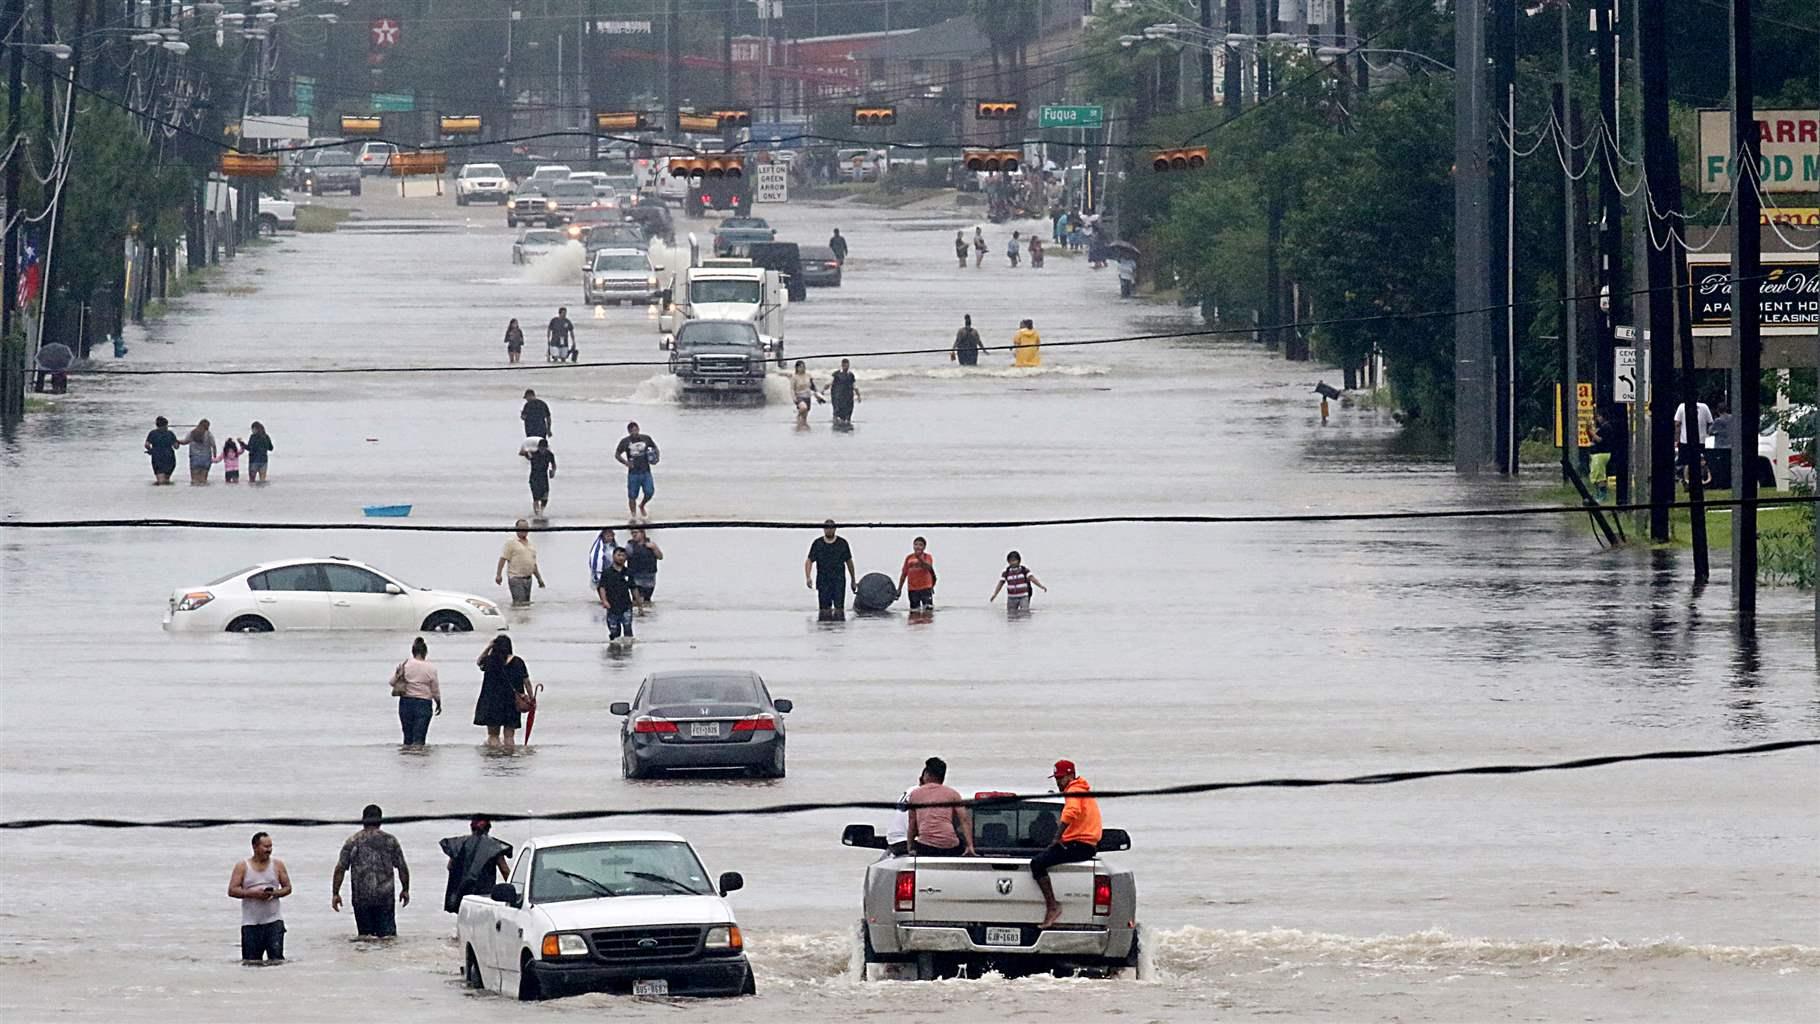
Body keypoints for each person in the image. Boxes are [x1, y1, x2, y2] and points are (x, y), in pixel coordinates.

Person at [1031, 760, 1102, 928]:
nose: (1058, 782)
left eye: (1061, 777)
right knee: (1043, 856)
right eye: (1056, 778)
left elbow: (1072, 812)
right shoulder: (1082, 790)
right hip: (1082, 844)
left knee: (1037, 863)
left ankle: (1053, 906)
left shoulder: (1074, 790)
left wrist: (1056, 837)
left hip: (1081, 845)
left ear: (1071, 775)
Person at [332, 804, 410, 939]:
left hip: (361, 898)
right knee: (388, 938)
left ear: (363, 820)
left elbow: (340, 868)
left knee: (365, 937)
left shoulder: (353, 841)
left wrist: (335, 893)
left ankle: (368, 958)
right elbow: (402, 867)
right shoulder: (390, 841)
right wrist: (405, 890)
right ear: (380, 820)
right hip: (385, 897)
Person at [229, 831, 292, 964]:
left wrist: (274, 893)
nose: (269, 850)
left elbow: (288, 888)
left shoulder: (278, 865)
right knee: (251, 963)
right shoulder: (242, 866)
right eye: (265, 847)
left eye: (270, 846)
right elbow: (232, 890)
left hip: (274, 922)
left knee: (276, 962)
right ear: (255, 847)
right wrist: (253, 894)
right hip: (251, 924)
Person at [904, 756, 976, 858]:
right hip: (950, 846)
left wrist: (910, 847)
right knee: (958, 844)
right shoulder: (953, 794)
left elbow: (912, 824)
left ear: (927, 775)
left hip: (925, 846)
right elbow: (964, 820)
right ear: (943, 777)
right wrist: (970, 846)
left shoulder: (915, 794)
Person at [441, 819, 513, 914]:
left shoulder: (459, 844)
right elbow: (505, 871)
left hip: (463, 896)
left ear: (471, 828)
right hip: (484, 896)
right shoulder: (494, 846)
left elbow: (450, 867)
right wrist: (513, 891)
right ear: (488, 829)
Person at [473, 635, 531, 748]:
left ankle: (496, 758)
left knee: (493, 735)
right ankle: (508, 759)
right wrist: (531, 697)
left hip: (492, 701)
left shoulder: (490, 661)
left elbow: (479, 662)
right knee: (509, 736)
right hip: (512, 702)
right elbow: (526, 681)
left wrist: (488, 647)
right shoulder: (518, 662)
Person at [804, 519, 857, 620]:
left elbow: (849, 562)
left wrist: (853, 580)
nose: (829, 530)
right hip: (823, 581)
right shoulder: (818, 543)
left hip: (839, 581)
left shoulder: (842, 543)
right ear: (823, 529)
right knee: (824, 610)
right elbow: (809, 561)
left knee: (839, 609)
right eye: (826, 528)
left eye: (831, 528)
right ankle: (825, 628)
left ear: (835, 529)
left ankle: (838, 629)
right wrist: (808, 577)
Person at [396, 636, 441, 748]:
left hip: (406, 702)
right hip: (423, 703)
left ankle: (407, 760)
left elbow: (392, 682)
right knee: (419, 739)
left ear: (413, 651)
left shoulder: (405, 665)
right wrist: (438, 703)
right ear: (425, 652)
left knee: (407, 738)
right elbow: (434, 689)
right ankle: (419, 761)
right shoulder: (431, 668)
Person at [614, 421, 659, 519]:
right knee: (632, 496)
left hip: (646, 471)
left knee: (649, 492)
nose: (635, 432)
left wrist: (656, 458)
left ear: (638, 429)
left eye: (636, 430)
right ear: (629, 432)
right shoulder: (625, 442)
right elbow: (617, 454)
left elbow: (655, 448)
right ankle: (633, 516)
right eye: (632, 431)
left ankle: (642, 505)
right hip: (633, 473)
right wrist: (626, 463)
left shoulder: (646, 438)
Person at [495, 519, 544, 606]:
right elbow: (503, 559)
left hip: (528, 579)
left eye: (526, 528)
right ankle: (516, 618)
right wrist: (499, 575)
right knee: (519, 604)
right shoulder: (511, 542)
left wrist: (539, 579)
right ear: (516, 529)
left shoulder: (530, 544)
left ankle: (524, 619)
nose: (524, 530)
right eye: (521, 528)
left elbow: (533, 563)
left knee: (526, 604)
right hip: (516, 578)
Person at [599, 546, 637, 646]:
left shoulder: (628, 572)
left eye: (623, 555)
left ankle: (628, 652)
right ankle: (614, 652)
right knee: (614, 633)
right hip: (612, 607)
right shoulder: (607, 572)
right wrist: (604, 601)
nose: (621, 557)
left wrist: (638, 604)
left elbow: (633, 588)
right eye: (618, 555)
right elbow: (602, 587)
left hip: (626, 606)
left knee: (628, 630)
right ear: (613, 556)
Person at [625, 528, 663, 605]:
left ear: (642, 533)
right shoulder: (630, 546)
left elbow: (660, 557)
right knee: (637, 601)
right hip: (635, 577)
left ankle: (647, 615)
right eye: (632, 533)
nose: (634, 535)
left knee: (647, 601)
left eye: (636, 532)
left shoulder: (651, 544)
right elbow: (622, 559)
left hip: (650, 578)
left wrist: (654, 548)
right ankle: (638, 615)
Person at [896, 537, 936, 610]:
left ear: (924, 547)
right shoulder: (909, 558)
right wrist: (899, 589)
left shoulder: (927, 557)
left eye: (920, 545)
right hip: (912, 589)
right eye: (916, 544)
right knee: (914, 610)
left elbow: (928, 567)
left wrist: (919, 558)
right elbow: (904, 574)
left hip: (925, 588)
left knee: (928, 610)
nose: (917, 546)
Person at [588, 527, 623, 603]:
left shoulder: (614, 546)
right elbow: (596, 562)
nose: (610, 538)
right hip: (602, 574)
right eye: (608, 536)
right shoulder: (599, 549)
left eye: (611, 536)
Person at [523, 438, 556, 516]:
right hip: (534, 478)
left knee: (545, 497)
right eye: (541, 448)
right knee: (536, 497)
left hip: (544, 477)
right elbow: (524, 453)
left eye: (544, 448)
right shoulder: (534, 454)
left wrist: (553, 471)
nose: (542, 450)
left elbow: (553, 464)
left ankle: (541, 511)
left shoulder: (550, 454)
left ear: (546, 447)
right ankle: (537, 513)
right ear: (538, 447)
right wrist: (526, 452)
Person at [145, 415, 180, 484]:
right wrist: (178, 442)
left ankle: (160, 492)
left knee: (160, 479)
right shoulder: (170, 433)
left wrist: (151, 450)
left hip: (157, 458)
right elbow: (176, 446)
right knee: (166, 479)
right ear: (165, 425)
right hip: (169, 458)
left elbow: (147, 445)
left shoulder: (152, 433)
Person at [790, 361, 823, 426]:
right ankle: (797, 415)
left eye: (804, 367)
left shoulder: (808, 375)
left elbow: (813, 387)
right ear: (797, 368)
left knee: (804, 418)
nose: (803, 368)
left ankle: (801, 428)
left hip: (807, 396)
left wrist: (818, 396)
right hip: (799, 396)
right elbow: (792, 389)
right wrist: (794, 398)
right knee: (803, 408)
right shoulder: (794, 377)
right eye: (801, 367)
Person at [185, 419, 217, 485]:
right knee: (203, 480)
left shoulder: (192, 433)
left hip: (194, 458)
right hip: (206, 458)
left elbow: (185, 442)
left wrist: (176, 441)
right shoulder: (209, 434)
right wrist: (214, 456)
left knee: (194, 481)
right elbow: (213, 445)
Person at [829, 358, 860, 427]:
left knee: (848, 412)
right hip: (838, 397)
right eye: (845, 365)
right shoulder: (836, 374)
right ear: (842, 365)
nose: (847, 366)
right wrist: (822, 391)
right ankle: (835, 422)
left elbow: (854, 386)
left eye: (848, 365)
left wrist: (858, 395)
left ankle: (847, 423)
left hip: (848, 397)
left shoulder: (851, 375)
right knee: (837, 412)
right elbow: (829, 383)